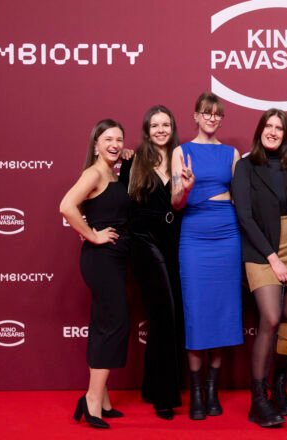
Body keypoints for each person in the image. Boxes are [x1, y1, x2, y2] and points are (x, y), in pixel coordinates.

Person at [232, 108, 287, 427]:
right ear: (260, 130)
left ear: (286, 134)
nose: (273, 132)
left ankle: (279, 387)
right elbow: (244, 216)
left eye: (279, 127)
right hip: (261, 250)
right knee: (272, 318)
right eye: (268, 126)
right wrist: (273, 258)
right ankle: (258, 399)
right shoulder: (245, 166)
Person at [171, 92, 243, 420]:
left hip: (227, 234)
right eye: (206, 113)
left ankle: (213, 390)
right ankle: (197, 391)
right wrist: (186, 188)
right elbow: (176, 204)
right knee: (197, 312)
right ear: (196, 116)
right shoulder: (181, 152)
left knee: (222, 312)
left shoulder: (231, 154)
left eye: (217, 114)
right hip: (194, 235)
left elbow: (241, 199)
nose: (212, 118)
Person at [59, 119, 131, 429]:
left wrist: (127, 155)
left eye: (119, 139)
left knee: (104, 324)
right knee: (114, 323)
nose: (114, 144)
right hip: (101, 260)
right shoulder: (94, 173)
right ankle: (91, 399)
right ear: (96, 144)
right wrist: (91, 234)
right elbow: (66, 206)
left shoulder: (112, 173)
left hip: (115, 259)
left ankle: (101, 398)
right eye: (108, 139)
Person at [118, 105, 184, 420]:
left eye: (165, 124)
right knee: (164, 314)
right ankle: (164, 396)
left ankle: (150, 386)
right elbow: (119, 203)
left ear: (173, 128)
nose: (160, 130)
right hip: (144, 243)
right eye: (154, 125)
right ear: (146, 130)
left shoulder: (181, 158)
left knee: (168, 315)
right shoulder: (134, 161)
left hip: (175, 243)